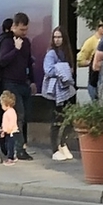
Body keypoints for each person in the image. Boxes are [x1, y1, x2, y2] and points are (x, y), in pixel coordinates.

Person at [39, 26, 76, 158]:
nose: (57, 40)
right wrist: (62, 70)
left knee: (66, 119)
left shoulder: (66, 53)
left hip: (66, 88)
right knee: (55, 120)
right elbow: (48, 70)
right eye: (55, 37)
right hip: (54, 91)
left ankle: (62, 144)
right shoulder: (51, 53)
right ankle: (55, 149)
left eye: (59, 37)